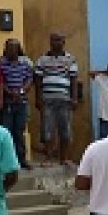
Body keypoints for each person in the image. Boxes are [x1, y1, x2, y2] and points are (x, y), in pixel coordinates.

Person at [35, 32, 79, 164]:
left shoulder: (71, 59)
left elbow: (74, 79)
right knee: (48, 129)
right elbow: (37, 80)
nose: (56, 43)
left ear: (63, 42)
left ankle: (64, 158)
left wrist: (74, 98)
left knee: (65, 129)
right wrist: (38, 98)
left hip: (64, 99)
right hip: (47, 98)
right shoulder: (42, 59)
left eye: (59, 40)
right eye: (53, 40)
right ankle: (48, 158)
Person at [0, 38, 33, 169]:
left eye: (15, 48)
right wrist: (10, 92)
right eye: (9, 48)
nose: (12, 50)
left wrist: (21, 91)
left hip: (22, 102)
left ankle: (21, 159)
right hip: (7, 102)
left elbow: (29, 79)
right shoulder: (1, 63)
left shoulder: (26, 62)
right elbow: (0, 80)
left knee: (19, 131)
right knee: (7, 131)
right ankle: (7, 160)